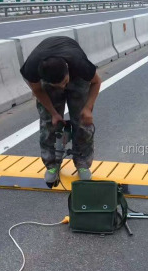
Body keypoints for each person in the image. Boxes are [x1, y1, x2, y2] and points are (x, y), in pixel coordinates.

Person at [20, 36, 101, 186]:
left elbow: (97, 82)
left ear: (67, 70)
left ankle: (82, 162)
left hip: (77, 77)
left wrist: (88, 108)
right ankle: (52, 165)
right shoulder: (31, 69)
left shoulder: (80, 64)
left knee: (82, 121)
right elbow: (37, 90)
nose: (63, 88)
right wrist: (54, 113)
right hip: (50, 73)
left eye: (64, 83)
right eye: (58, 85)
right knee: (48, 123)